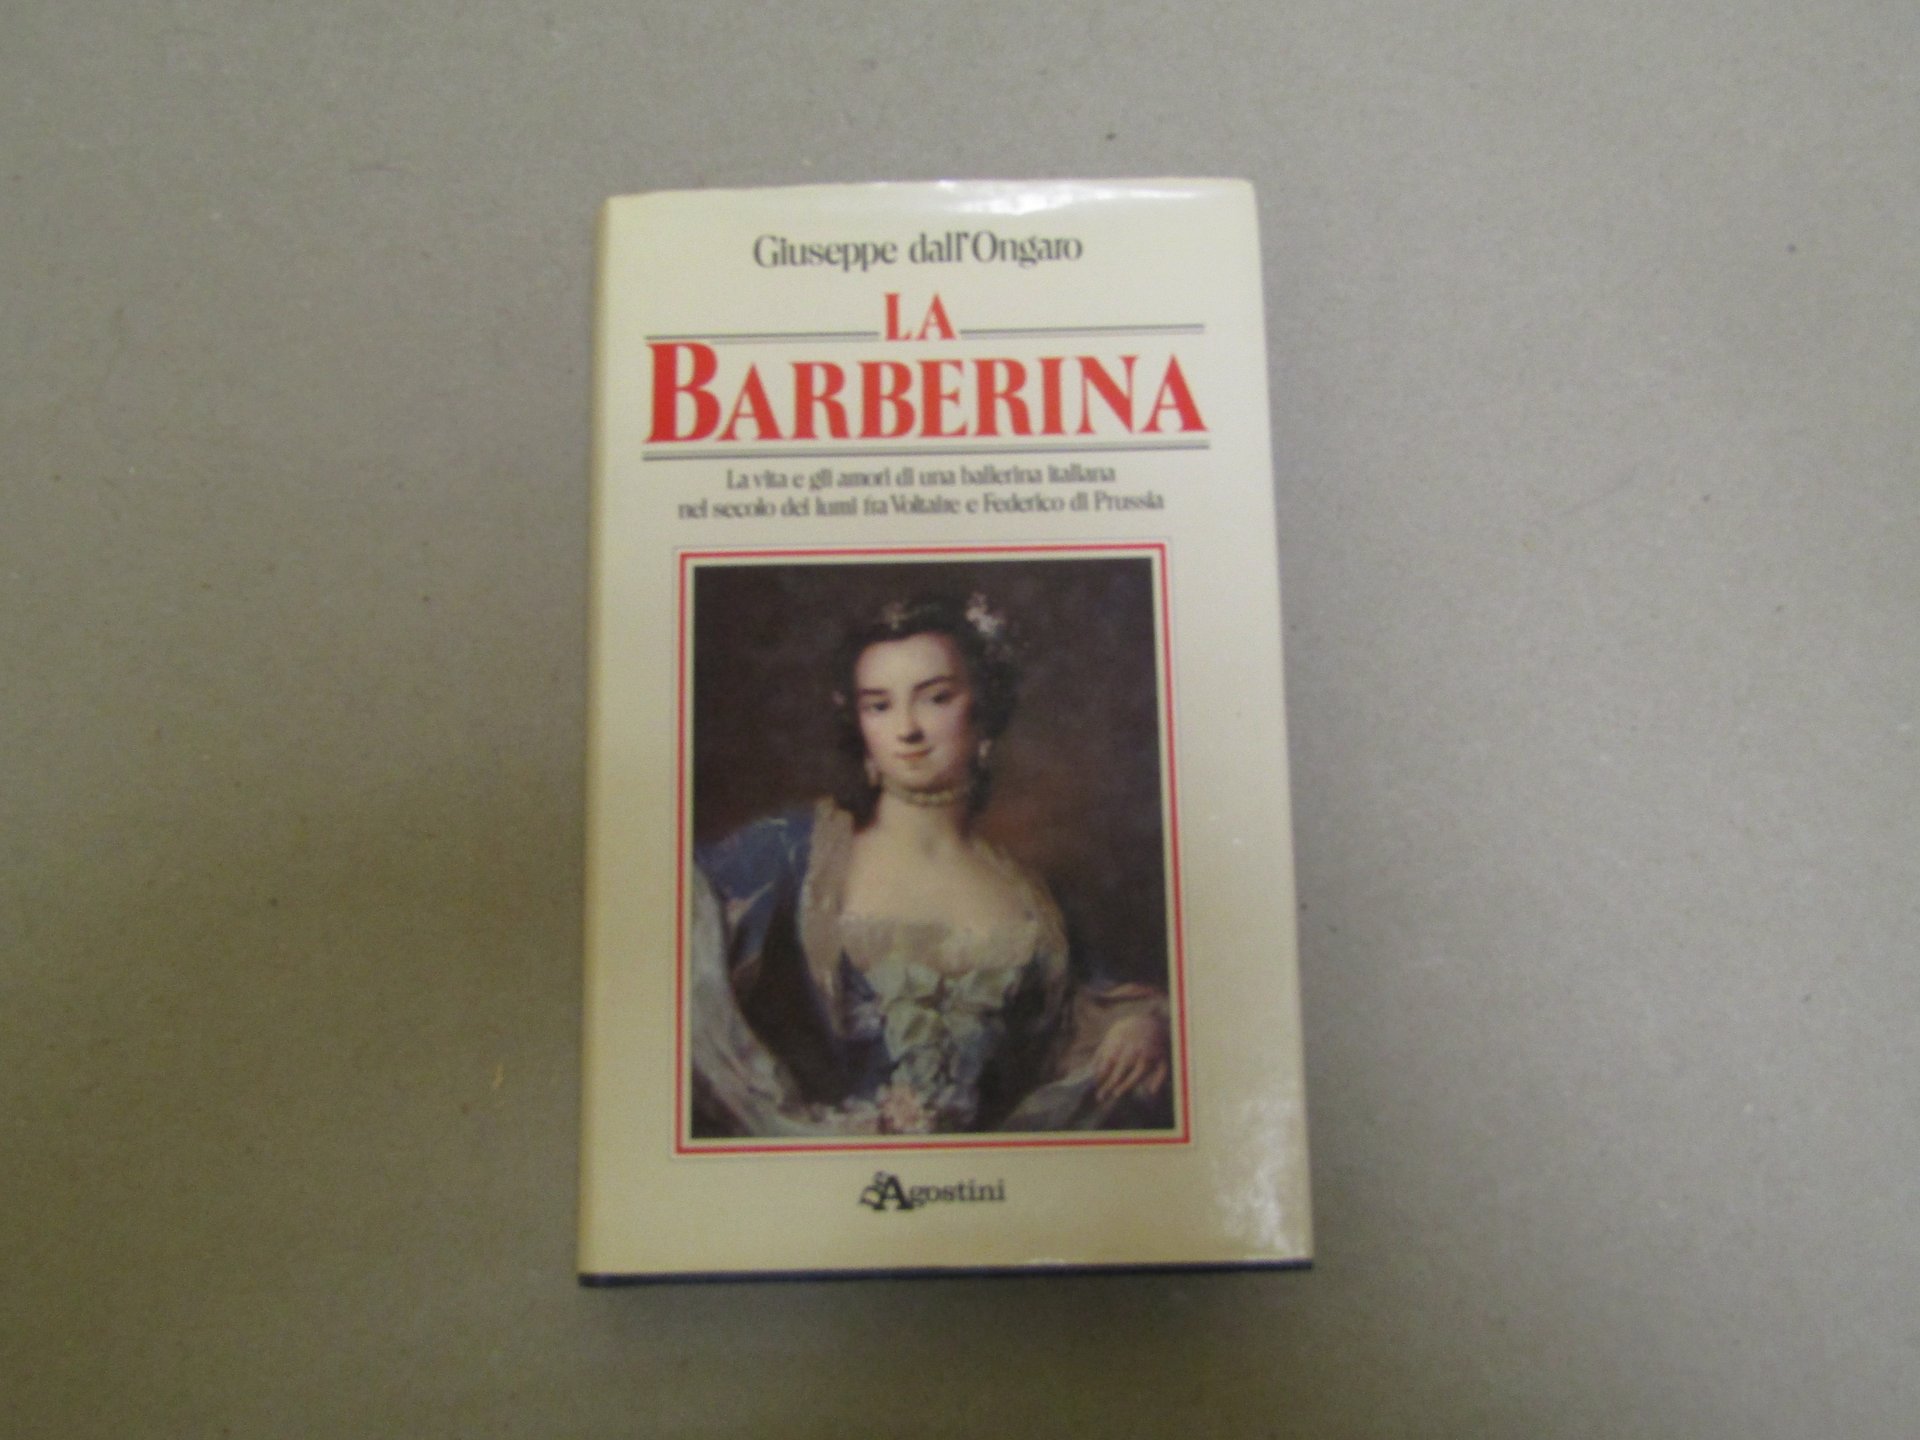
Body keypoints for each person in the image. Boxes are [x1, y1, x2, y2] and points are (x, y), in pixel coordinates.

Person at [688, 591, 1173, 1137]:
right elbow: (681, 933)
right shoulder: (796, 850)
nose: (907, 730)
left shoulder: (1032, 896)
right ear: (859, 726)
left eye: (935, 698)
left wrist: (1138, 1026)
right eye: (879, 706)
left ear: (983, 712)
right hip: (834, 1174)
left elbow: (1083, 1021)